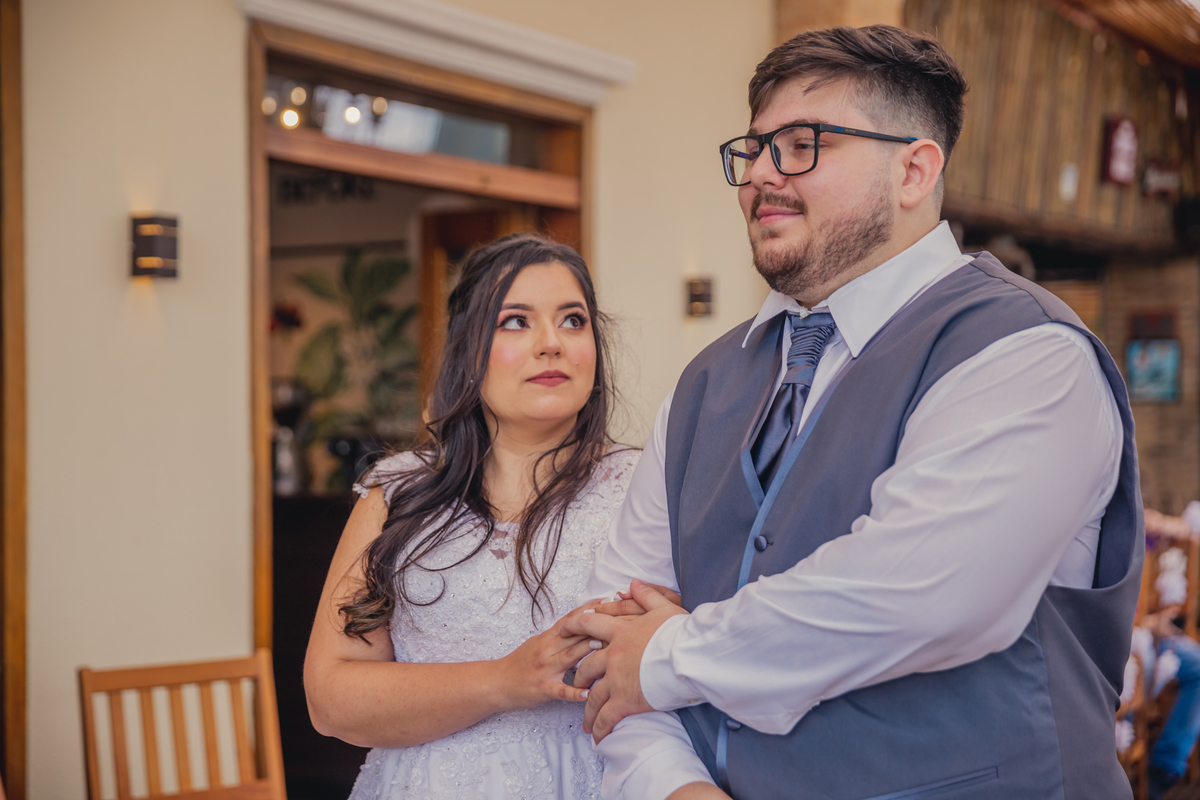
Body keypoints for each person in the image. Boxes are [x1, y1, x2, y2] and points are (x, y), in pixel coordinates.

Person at [562, 25, 1142, 800]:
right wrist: (671, 786)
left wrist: (666, 656)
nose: (762, 175)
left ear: (913, 168)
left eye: (803, 144)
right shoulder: (703, 384)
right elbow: (610, 640)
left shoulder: (1028, 354)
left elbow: (915, 594)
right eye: (754, 148)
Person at [303, 233, 643, 798]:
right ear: (468, 348)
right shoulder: (398, 496)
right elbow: (330, 699)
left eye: (573, 320)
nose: (551, 343)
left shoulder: (644, 488)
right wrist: (505, 680)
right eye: (516, 321)